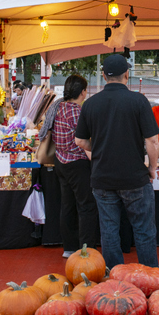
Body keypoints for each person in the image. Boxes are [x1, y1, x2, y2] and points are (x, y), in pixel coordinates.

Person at [74, 54, 159, 269]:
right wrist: (152, 168)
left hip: (102, 178)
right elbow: (152, 140)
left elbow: (80, 141)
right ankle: (149, 276)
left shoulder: (90, 104)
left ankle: (114, 277)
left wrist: (101, 147)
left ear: (104, 76)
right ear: (127, 75)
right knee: (143, 230)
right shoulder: (138, 101)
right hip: (135, 178)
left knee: (109, 231)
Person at [49, 74, 99, 257]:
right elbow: (84, 140)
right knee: (86, 206)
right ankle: (87, 249)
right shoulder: (77, 112)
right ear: (83, 92)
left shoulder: (58, 107)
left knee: (67, 205)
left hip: (60, 161)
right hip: (77, 163)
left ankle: (69, 247)